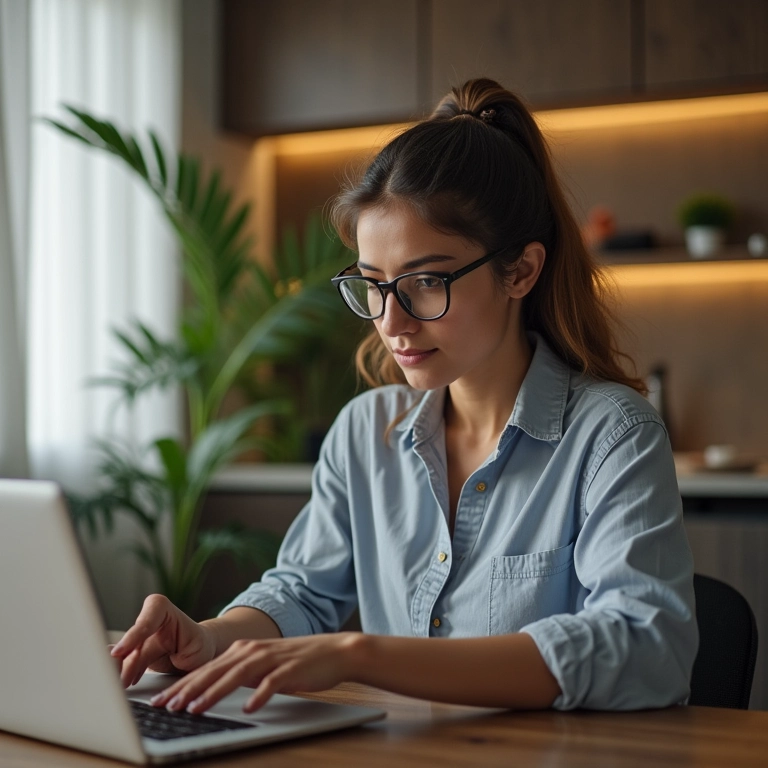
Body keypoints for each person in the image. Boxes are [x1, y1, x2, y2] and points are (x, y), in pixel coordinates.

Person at [111, 78, 698, 715]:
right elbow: (303, 593)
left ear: (520, 271)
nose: (391, 321)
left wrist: (365, 655)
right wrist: (209, 638)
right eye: (373, 284)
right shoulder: (365, 433)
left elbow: (647, 645)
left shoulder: (612, 435)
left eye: (424, 281)